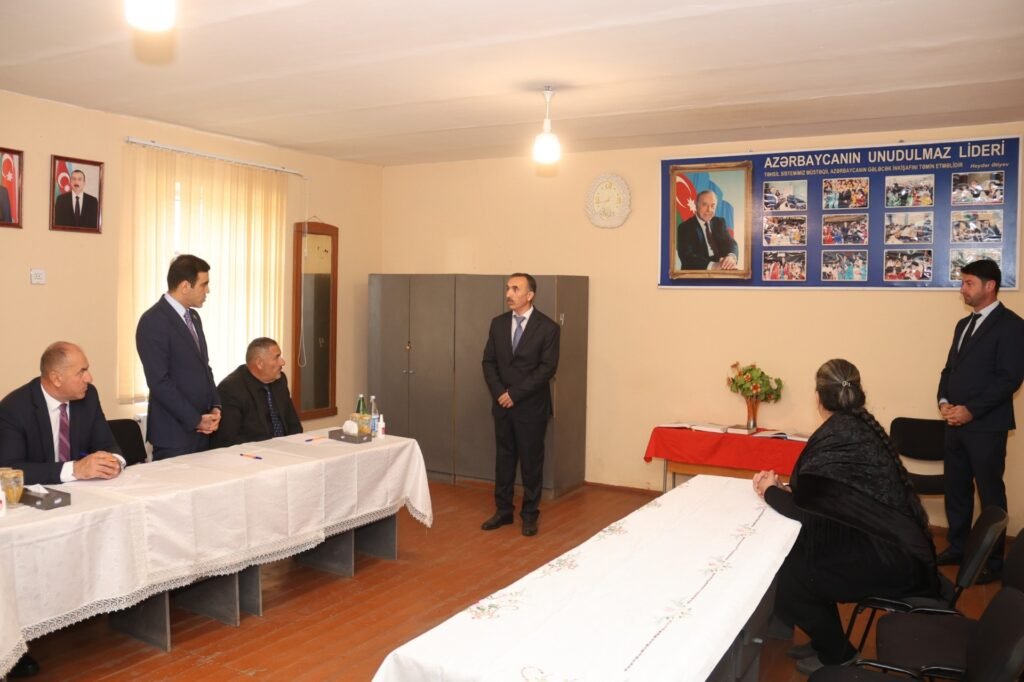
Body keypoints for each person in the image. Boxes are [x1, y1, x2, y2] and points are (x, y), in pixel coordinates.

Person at [753, 359, 939, 676]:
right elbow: (830, 501)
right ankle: (826, 640)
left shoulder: (841, 435)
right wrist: (784, 490)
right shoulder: (854, 427)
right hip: (893, 547)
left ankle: (838, 654)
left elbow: (807, 514)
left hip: (890, 559)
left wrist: (770, 491)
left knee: (790, 574)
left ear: (818, 397)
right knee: (804, 556)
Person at [936, 259, 1024, 583]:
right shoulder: (963, 324)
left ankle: (992, 561)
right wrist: (944, 401)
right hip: (954, 424)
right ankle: (958, 546)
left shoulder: (1012, 325)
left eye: (968, 283)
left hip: (986, 426)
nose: (963, 289)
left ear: (990, 286)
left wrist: (971, 410)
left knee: (990, 495)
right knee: (956, 489)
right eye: (963, 282)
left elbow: (1009, 378)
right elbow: (950, 369)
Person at [481, 273, 560, 537]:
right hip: (502, 406)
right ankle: (503, 511)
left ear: (530, 295)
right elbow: (488, 362)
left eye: (516, 289)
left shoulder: (548, 328)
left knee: (531, 463)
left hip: (531, 408)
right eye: (508, 288)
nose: (509, 294)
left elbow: (546, 369)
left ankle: (529, 515)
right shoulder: (498, 324)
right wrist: (499, 393)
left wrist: (514, 394)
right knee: (504, 459)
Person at [0, 341, 125, 485]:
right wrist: (74, 469)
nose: (89, 378)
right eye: (81, 372)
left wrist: (114, 462)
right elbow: (9, 469)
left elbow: (107, 444)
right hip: (40, 492)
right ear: (56, 379)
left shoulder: (88, 396)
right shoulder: (14, 409)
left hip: (83, 490)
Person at [136, 254, 221, 459]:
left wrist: (215, 406)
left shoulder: (193, 317)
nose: (207, 290)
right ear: (185, 286)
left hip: (203, 430)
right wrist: (195, 419)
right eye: (203, 284)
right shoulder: (153, 320)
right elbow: (159, 381)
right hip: (174, 435)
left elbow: (204, 367)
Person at [212, 337, 302, 447]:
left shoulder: (280, 380)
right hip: (252, 453)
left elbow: (293, 424)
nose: (283, 362)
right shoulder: (231, 389)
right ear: (259, 363)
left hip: (286, 448)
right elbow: (228, 440)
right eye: (277, 357)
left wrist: (296, 446)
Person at [676, 190, 738, 270]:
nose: (709, 210)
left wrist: (731, 257)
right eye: (704, 205)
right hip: (699, 271)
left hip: (722, 267)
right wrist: (713, 266)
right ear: (696, 205)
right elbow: (687, 257)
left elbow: (731, 243)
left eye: (712, 205)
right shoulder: (685, 227)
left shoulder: (719, 222)